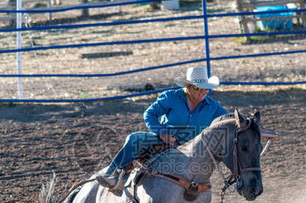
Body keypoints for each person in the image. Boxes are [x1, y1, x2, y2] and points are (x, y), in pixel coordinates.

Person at [96, 66, 228, 193]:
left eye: (206, 88)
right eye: (198, 88)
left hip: (193, 147)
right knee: (134, 139)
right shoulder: (171, 97)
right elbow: (150, 114)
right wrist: (161, 133)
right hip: (165, 141)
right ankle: (112, 175)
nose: (203, 92)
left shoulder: (213, 106)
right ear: (188, 88)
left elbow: (228, 119)